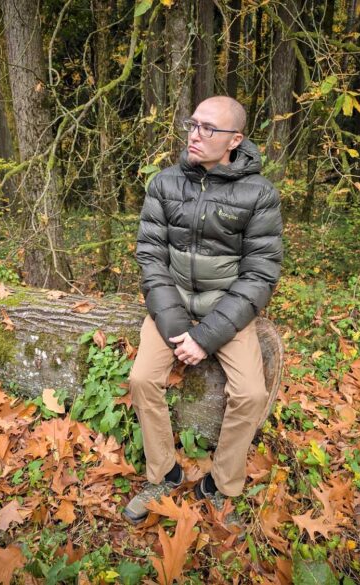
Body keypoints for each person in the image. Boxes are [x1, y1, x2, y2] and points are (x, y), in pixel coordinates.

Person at [123, 96, 283, 526]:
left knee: (250, 394)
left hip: (227, 309)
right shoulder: (164, 183)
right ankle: (164, 473)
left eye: (208, 128)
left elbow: (260, 274)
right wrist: (176, 327)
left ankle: (221, 485)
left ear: (235, 139)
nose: (195, 134)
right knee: (142, 378)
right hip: (170, 304)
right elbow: (150, 256)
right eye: (192, 124)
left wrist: (205, 336)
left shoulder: (259, 194)